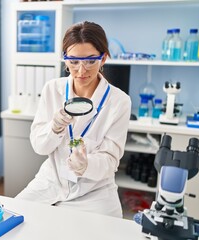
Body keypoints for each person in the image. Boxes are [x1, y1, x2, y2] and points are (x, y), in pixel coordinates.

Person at [15, 21, 132, 218]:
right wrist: (54, 128)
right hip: (50, 182)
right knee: (13, 219)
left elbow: (110, 160)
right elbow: (40, 147)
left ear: (103, 58)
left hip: (94, 191)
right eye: (74, 61)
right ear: (65, 59)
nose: (81, 70)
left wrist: (86, 165)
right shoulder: (52, 89)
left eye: (90, 61)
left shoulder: (119, 102)